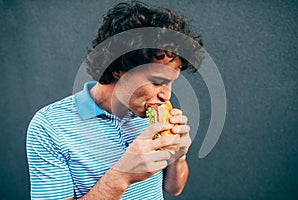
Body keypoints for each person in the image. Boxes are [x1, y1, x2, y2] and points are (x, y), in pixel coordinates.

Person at [26, 1, 203, 199]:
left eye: (170, 83)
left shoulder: (149, 114)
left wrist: (178, 155)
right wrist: (123, 174)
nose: (166, 95)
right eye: (157, 82)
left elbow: (174, 188)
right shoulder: (49, 126)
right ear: (118, 69)